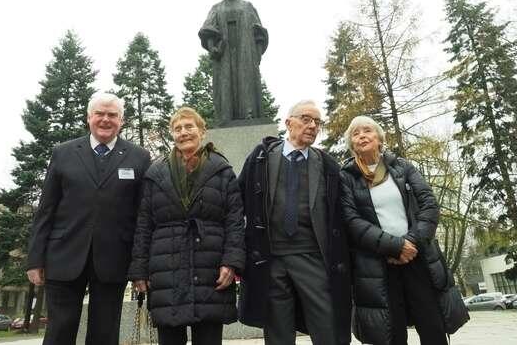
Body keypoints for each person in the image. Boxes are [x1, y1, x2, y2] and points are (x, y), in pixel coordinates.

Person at [25, 92, 151, 345]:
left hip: (114, 259)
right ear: (89, 118)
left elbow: (143, 216)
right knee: (59, 332)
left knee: (105, 333)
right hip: (64, 255)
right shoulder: (63, 153)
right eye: (99, 114)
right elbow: (46, 209)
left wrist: (141, 264)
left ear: (121, 120)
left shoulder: (139, 157)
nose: (105, 119)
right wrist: (35, 259)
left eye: (112, 115)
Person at [237, 100, 351, 345]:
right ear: (289, 123)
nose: (312, 126)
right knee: (278, 333)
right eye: (306, 119)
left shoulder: (327, 165)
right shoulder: (261, 157)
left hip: (313, 257)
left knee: (328, 329)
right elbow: (237, 202)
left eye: (317, 122)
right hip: (271, 259)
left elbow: (342, 215)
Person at [129, 107, 245, 345]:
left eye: (189, 127)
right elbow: (144, 224)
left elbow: (234, 220)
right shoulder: (155, 172)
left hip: (210, 267)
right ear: (172, 134)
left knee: (208, 338)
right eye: (177, 128)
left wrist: (231, 262)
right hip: (166, 267)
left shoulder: (222, 171)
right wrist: (139, 269)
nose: (183, 133)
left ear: (202, 131)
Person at [339, 115, 452, 345]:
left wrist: (411, 243)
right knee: (392, 335)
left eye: (367, 130)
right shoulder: (346, 178)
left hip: (417, 258)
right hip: (377, 267)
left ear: (380, 138)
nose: (362, 136)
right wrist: (394, 246)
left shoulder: (403, 167)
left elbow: (429, 206)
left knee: (432, 327)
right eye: (355, 133)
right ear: (352, 144)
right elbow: (351, 221)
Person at [198, 0, 268, 125]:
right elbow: (207, 30)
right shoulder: (216, 8)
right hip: (224, 54)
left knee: (246, 80)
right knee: (225, 83)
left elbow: (259, 32)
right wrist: (212, 47)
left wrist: (257, 54)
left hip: (246, 51)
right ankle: (226, 116)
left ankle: (250, 113)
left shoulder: (247, 7)